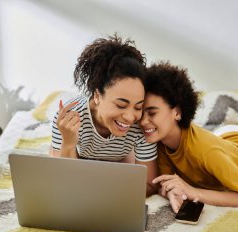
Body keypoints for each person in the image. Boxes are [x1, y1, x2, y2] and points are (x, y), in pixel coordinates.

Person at [140, 59, 238, 212]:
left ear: (177, 112)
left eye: (152, 113)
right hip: (226, 137)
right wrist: (171, 192)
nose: (143, 121)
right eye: (141, 112)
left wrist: (193, 191)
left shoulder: (206, 151)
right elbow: (165, 184)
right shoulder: (160, 142)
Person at [50, 35, 158, 196]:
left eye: (138, 106)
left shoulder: (142, 123)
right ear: (97, 96)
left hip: (121, 160)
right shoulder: (69, 119)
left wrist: (104, 192)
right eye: (121, 105)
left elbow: (149, 185)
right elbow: (64, 181)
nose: (130, 117)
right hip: (80, 159)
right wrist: (68, 143)